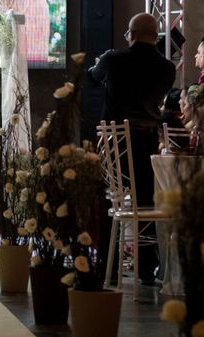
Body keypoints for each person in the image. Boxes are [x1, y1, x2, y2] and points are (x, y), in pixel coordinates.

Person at [88, 12, 175, 285]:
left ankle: (108, 265)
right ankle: (147, 268)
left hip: (116, 148)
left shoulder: (114, 59)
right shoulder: (167, 68)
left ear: (132, 34)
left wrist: (100, 66)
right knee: (145, 201)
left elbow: (91, 78)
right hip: (147, 145)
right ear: (156, 36)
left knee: (108, 200)